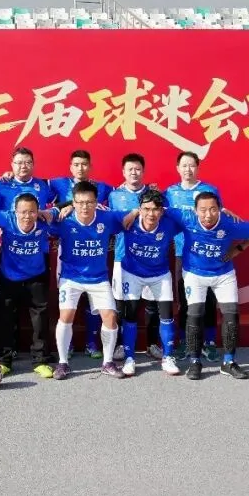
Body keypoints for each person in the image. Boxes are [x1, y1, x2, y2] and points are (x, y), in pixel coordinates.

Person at [166, 191, 249, 380]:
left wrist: (239, 248)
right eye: (203, 210)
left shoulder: (228, 223)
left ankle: (228, 363)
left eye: (213, 209)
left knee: (231, 315)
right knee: (194, 315)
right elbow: (159, 209)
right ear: (195, 211)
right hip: (194, 273)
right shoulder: (186, 217)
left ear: (220, 209)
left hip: (223, 274)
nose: (208, 215)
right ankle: (195, 362)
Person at [48, 181, 138, 380]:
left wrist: (134, 213)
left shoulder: (107, 217)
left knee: (110, 317)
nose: (85, 207)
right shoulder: (65, 220)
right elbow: (42, 218)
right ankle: (63, 363)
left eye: (89, 202)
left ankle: (108, 362)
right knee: (66, 315)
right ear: (73, 203)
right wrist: (57, 210)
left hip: (98, 277)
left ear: (96, 202)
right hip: (71, 277)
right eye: (80, 203)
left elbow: (137, 212)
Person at [0, 193, 54, 378]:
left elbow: (65, 209)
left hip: (36, 277)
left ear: (38, 212)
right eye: (23, 212)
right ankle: (4, 361)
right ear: (15, 212)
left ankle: (40, 360)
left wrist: (61, 208)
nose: (27, 216)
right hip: (9, 277)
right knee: (5, 319)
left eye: (32, 212)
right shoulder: (5, 218)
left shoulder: (45, 220)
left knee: (40, 320)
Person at [117, 189, 184, 376]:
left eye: (156, 209)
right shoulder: (128, 221)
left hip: (159, 275)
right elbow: (100, 216)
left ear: (162, 211)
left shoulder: (169, 223)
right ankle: (129, 358)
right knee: (130, 315)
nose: (151, 214)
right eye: (146, 209)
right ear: (139, 209)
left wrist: (222, 210)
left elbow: (191, 217)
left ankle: (167, 357)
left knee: (166, 315)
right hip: (132, 273)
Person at [165, 151, 222, 363]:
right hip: (182, 253)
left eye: (192, 165)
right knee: (184, 300)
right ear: (177, 168)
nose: (188, 169)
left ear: (197, 167)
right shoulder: (170, 192)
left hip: (207, 252)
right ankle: (184, 341)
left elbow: (220, 217)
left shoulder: (209, 190)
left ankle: (209, 342)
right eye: (184, 165)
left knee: (209, 300)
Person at [106, 152, 152, 362]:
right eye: (130, 169)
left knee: (151, 303)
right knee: (120, 303)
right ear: (123, 172)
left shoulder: (153, 194)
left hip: (150, 257)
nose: (134, 172)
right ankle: (119, 345)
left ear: (143, 171)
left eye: (138, 169)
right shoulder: (114, 196)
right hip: (122, 256)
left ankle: (152, 344)